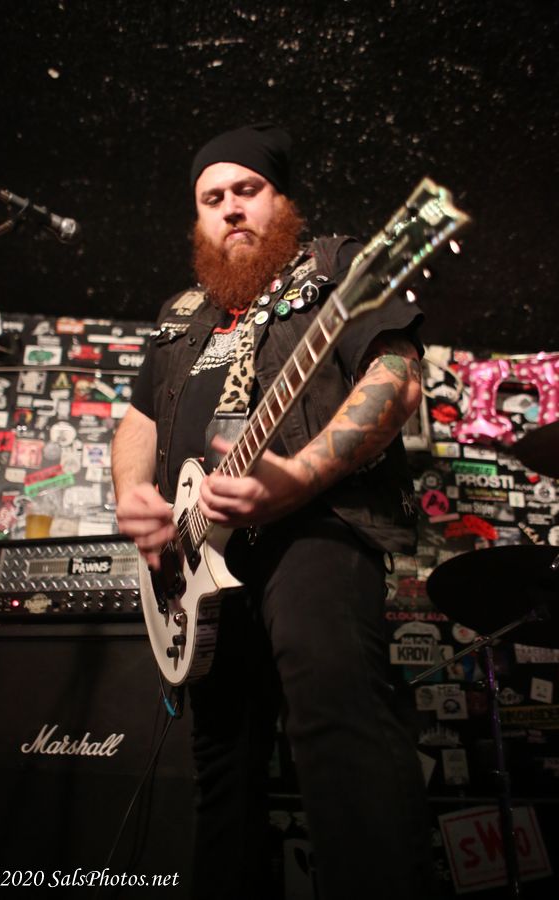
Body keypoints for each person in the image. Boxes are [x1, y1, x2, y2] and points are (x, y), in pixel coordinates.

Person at [111, 124, 434, 900]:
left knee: (336, 716)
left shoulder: (333, 269)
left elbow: (397, 375)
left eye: (246, 190)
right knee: (221, 761)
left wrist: (299, 474)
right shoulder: (182, 313)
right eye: (211, 198)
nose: (230, 208)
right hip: (198, 564)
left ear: (281, 200)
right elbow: (138, 421)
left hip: (314, 526)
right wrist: (132, 494)